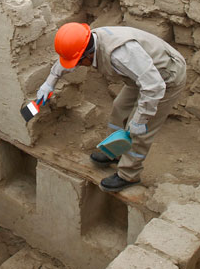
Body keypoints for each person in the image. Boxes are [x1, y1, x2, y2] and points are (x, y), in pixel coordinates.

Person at [35, 23, 187, 192]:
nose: (76, 66)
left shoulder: (121, 55)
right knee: (119, 108)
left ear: (88, 54)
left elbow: (154, 87)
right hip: (140, 75)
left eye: (78, 62)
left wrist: (140, 120)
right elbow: (69, 58)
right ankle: (114, 151)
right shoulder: (85, 42)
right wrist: (49, 82)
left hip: (165, 78)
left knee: (140, 130)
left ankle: (128, 175)